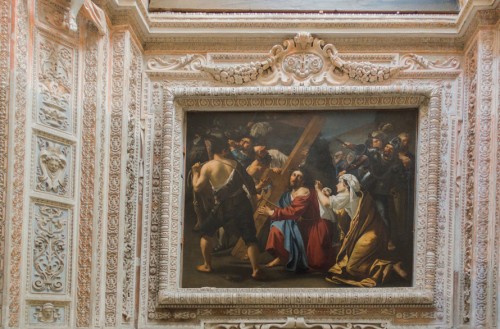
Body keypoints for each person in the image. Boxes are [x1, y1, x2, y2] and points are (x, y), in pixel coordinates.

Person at [191, 136, 264, 280]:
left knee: (205, 232)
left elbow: (197, 187)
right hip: (242, 203)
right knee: (250, 238)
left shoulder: (208, 166)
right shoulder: (235, 163)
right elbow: (249, 182)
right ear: (224, 151)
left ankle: (207, 265)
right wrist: (255, 196)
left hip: (224, 206)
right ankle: (256, 270)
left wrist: (195, 172)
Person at [316, 174, 408, 287]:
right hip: (364, 232)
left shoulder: (348, 195)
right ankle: (391, 265)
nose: (336, 184)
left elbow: (327, 203)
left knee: (352, 269)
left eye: (339, 182)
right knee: (351, 267)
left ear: (346, 185)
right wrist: (326, 195)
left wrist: (318, 190)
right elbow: (337, 209)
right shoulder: (354, 195)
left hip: (369, 235)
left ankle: (389, 266)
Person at [258, 168, 333, 272]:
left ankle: (289, 258)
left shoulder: (304, 191)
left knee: (317, 263)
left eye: (299, 176)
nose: (295, 178)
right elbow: (284, 208)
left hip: (311, 227)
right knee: (276, 229)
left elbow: (293, 211)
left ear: (303, 181)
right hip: (295, 223)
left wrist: (271, 213)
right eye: (293, 175)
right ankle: (283, 257)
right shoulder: (288, 194)